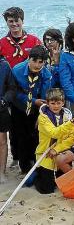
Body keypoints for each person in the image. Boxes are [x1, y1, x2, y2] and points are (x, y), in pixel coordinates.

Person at [33, 88, 74, 194]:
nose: (56, 106)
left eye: (59, 103)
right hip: (46, 153)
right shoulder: (43, 118)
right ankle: (36, 175)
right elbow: (54, 133)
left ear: (63, 102)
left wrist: (57, 149)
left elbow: (71, 138)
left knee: (62, 183)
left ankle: (67, 177)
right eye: (53, 103)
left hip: (61, 149)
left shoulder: (67, 115)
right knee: (47, 190)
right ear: (47, 103)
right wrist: (72, 122)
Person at [11, 45, 51, 173]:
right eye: (34, 61)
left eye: (41, 62)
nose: (37, 65)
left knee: (35, 135)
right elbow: (14, 92)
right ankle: (24, 167)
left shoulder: (46, 74)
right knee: (21, 136)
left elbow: (45, 96)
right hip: (19, 106)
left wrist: (41, 114)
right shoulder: (17, 70)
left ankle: (36, 163)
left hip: (37, 108)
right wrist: (33, 101)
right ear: (29, 58)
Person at [0, 54, 15, 183]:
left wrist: (4, 101)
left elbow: (11, 88)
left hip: (1, 108)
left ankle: (2, 172)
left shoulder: (4, 65)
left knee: (2, 141)